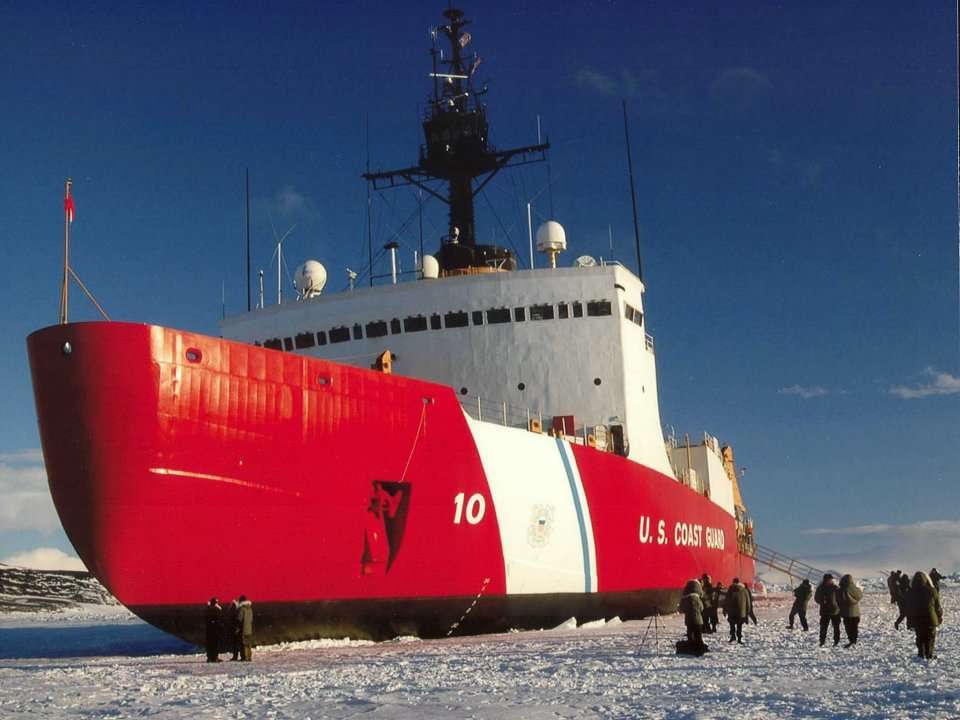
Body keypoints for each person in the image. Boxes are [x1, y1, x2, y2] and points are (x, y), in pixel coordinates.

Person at [907, 571, 943, 659]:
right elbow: (937, 606)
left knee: (920, 636)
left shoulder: (910, 592)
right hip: (931, 619)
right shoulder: (932, 590)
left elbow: (908, 609)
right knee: (930, 637)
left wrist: (909, 621)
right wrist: (939, 616)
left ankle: (921, 653)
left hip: (917, 619)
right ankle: (929, 654)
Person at [678, 579, 707, 655]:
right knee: (698, 636)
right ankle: (699, 650)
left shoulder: (685, 599)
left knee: (690, 635)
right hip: (698, 620)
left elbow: (681, 609)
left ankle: (691, 649)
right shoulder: (697, 599)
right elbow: (702, 608)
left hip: (689, 620)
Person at [814, 573, 841, 647]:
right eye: (828, 580)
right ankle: (822, 641)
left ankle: (836, 641)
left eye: (831, 579)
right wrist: (822, 601)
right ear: (825, 580)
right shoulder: (820, 588)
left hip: (835, 611)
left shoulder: (835, 588)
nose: (830, 581)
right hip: (824, 611)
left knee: (836, 627)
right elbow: (816, 598)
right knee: (823, 627)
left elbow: (840, 599)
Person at [838, 574, 863, 647]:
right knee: (854, 627)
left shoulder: (841, 589)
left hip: (846, 612)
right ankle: (854, 640)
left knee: (848, 627)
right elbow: (860, 596)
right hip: (855, 612)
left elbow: (838, 600)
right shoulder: (855, 588)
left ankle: (851, 640)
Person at [723, 577, 750, 643]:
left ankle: (733, 637)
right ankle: (739, 639)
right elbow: (748, 602)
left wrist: (725, 610)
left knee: (732, 625)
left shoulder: (730, 589)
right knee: (739, 625)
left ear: (733, 582)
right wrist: (747, 612)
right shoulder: (744, 590)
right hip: (741, 612)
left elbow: (726, 600)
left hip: (732, 611)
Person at [204, 597, 222, 662]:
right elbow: (219, 620)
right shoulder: (217, 610)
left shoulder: (207, 609)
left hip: (209, 630)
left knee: (209, 644)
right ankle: (215, 657)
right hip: (215, 630)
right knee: (215, 644)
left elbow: (205, 619)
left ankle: (209, 658)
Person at [237, 595, 254, 661]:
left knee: (244, 644)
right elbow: (251, 619)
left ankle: (245, 657)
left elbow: (240, 619)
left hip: (243, 629)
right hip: (249, 629)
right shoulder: (250, 608)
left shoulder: (242, 609)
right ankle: (249, 657)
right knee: (249, 644)